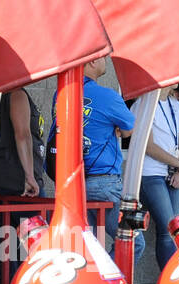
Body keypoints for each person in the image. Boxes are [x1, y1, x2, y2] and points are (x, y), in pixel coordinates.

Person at [49, 56, 143, 260]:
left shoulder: (61, 93)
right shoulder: (107, 96)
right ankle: (107, 280)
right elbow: (129, 130)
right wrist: (113, 126)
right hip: (103, 183)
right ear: (91, 62)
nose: (106, 62)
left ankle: (96, 279)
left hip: (70, 183)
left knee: (84, 247)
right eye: (102, 58)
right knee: (133, 241)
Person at [0, 88, 46, 284]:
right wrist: (30, 176)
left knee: (7, 243)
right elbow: (23, 134)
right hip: (17, 182)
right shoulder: (16, 94)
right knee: (36, 241)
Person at [137, 83, 179, 269]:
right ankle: (171, 283)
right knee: (168, 229)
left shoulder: (175, 104)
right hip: (152, 174)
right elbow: (149, 146)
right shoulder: (144, 103)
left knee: (174, 230)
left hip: (174, 173)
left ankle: (172, 282)